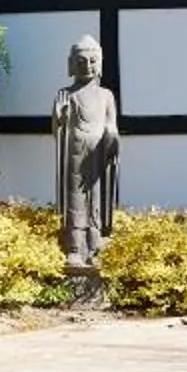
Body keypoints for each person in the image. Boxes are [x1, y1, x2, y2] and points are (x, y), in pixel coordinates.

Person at [54, 33, 120, 268]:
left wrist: (112, 136)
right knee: (75, 200)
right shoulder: (66, 94)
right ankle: (74, 249)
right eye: (81, 61)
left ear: (99, 64)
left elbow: (111, 123)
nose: (87, 66)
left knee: (97, 201)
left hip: (99, 154)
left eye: (92, 61)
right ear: (72, 64)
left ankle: (96, 247)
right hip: (74, 152)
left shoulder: (106, 95)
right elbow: (58, 127)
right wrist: (60, 116)